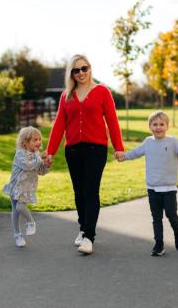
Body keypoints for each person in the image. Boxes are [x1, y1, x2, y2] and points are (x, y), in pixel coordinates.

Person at [45, 54, 125, 255]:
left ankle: (89, 236)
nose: (81, 73)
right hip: (72, 149)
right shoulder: (66, 96)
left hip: (95, 149)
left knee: (91, 190)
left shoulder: (102, 92)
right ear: (71, 73)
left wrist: (118, 147)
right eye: (76, 70)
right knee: (79, 192)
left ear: (90, 68)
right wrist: (50, 152)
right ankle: (83, 228)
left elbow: (112, 121)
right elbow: (59, 125)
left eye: (84, 68)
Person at [117, 111, 178, 256]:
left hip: (169, 188)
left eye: (161, 124)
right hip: (152, 188)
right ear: (150, 127)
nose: (158, 127)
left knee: (171, 214)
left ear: (167, 126)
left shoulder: (173, 142)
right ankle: (159, 244)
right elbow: (136, 152)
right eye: (155, 124)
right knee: (156, 218)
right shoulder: (148, 142)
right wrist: (124, 156)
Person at [3, 126, 49, 248]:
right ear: (25, 142)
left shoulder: (37, 155)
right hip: (15, 185)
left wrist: (47, 165)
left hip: (26, 188)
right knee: (15, 210)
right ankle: (17, 234)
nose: (39, 142)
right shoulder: (20, 153)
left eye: (39, 139)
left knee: (20, 207)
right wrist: (40, 158)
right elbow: (28, 165)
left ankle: (30, 222)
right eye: (35, 140)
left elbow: (41, 171)